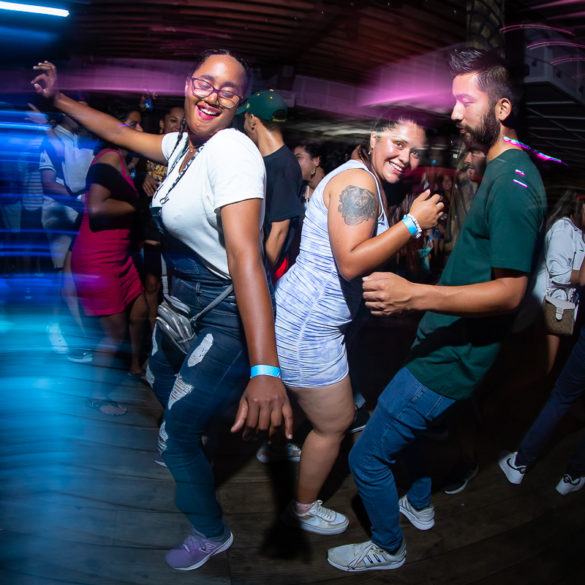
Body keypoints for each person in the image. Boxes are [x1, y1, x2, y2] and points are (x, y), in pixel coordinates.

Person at [32, 49, 292, 571]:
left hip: (224, 307)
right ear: (188, 85)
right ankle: (202, 424)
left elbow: (247, 259)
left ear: (239, 103)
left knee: (174, 436)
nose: (211, 95)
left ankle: (209, 529)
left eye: (227, 89)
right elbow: (120, 132)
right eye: (204, 82)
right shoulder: (183, 147)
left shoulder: (232, 152)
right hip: (182, 299)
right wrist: (57, 99)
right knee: (157, 375)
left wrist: (266, 367)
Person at [327, 48, 547, 572]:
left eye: (466, 101)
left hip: (450, 362)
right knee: (421, 433)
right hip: (447, 344)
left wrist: (414, 294)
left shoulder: (517, 184)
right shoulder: (498, 172)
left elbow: (512, 293)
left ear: (501, 109)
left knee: (366, 457)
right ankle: (419, 505)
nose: (454, 113)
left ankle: (388, 546)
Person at [274, 111, 444, 535]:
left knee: (327, 405)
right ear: (374, 138)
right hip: (308, 326)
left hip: (308, 318)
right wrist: (411, 224)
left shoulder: (365, 179)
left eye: (415, 151)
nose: (406, 157)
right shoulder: (358, 182)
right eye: (399, 144)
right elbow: (350, 262)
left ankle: (291, 445)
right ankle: (304, 507)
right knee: (336, 424)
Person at [71, 104, 147, 415]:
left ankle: (135, 366)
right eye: (134, 124)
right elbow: (97, 209)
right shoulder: (109, 157)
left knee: (140, 305)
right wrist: (138, 205)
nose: (141, 131)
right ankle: (97, 396)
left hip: (119, 256)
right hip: (98, 258)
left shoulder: (122, 161)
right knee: (113, 332)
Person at [239, 90, 304, 281]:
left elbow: (279, 231)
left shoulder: (283, 165)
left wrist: (257, 279)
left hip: (267, 268)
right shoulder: (264, 160)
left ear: (252, 119)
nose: (243, 125)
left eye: (244, 118)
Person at [530, 189, 585, 372]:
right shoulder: (563, 229)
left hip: (561, 305)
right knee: (543, 367)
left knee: (544, 367)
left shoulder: (577, 232)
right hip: (551, 303)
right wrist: (579, 276)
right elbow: (558, 273)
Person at [294, 141, 325, 208]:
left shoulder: (331, 186)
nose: (293, 163)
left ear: (316, 160)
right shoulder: (300, 190)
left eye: (298, 157)